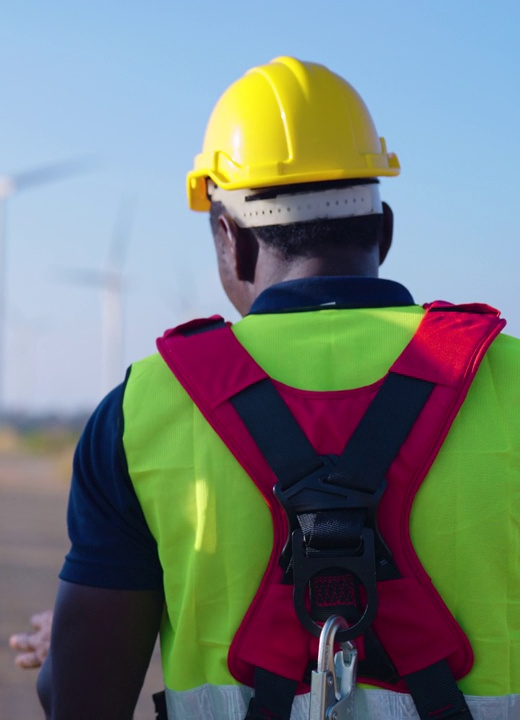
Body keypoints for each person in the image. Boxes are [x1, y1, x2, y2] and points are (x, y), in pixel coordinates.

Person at [30, 56, 520, 719]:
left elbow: (80, 705)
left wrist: (64, 653)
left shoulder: (139, 412)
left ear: (230, 239)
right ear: (384, 230)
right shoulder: (507, 381)